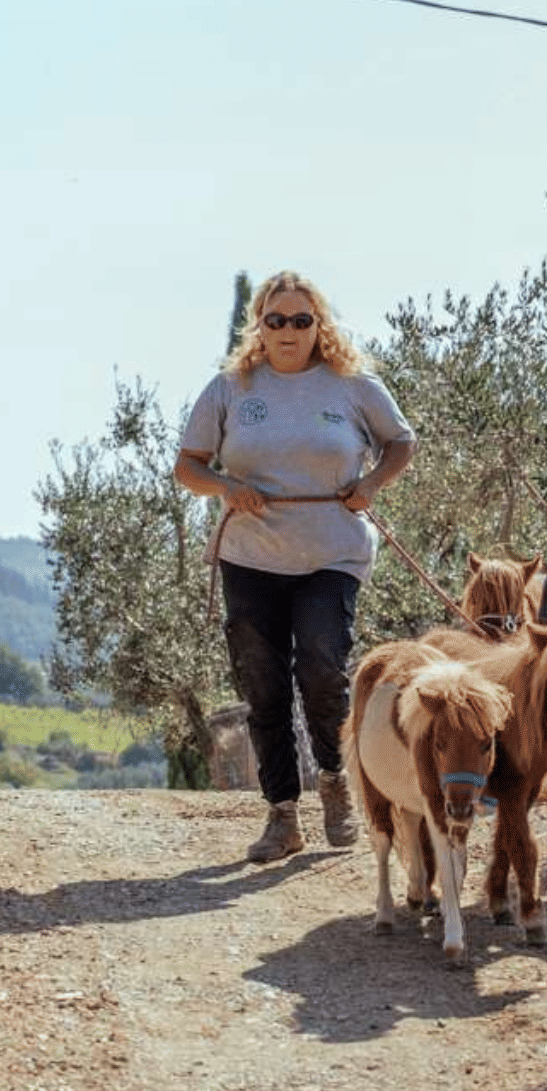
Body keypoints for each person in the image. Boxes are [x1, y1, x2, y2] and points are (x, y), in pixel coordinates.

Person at [174, 271, 417, 863]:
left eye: (301, 320)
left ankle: (336, 780)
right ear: (259, 325)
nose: (288, 330)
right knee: (263, 684)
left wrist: (370, 485)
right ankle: (282, 814)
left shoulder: (352, 384)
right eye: (275, 319)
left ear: (319, 325)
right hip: (250, 555)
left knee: (321, 664)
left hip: (332, 554)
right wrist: (226, 487)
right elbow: (188, 466)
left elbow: (401, 443)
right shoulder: (230, 388)